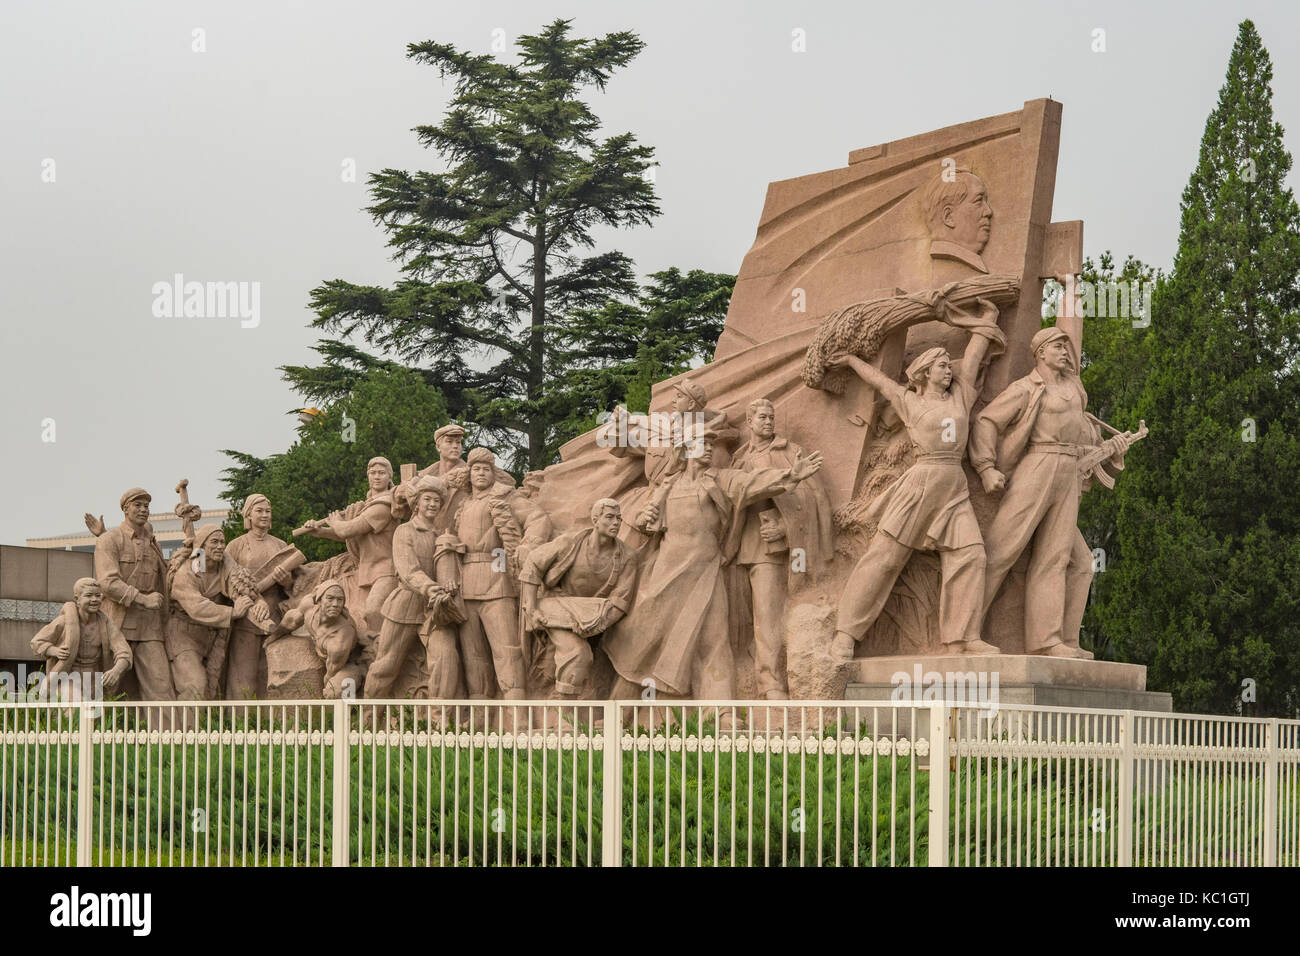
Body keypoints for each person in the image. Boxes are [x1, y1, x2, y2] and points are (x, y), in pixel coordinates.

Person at [827, 298, 1005, 659]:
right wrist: (850, 360)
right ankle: (846, 633)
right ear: (924, 372)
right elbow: (879, 381)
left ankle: (961, 639)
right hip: (920, 483)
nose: (947, 370)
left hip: (953, 484)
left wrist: (988, 320)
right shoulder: (910, 402)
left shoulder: (962, 397)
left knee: (970, 555)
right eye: (941, 365)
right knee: (886, 557)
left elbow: (971, 359)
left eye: (947, 365)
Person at [603, 424, 823, 699]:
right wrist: (646, 518)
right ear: (685, 448)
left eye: (710, 443)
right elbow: (647, 520)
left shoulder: (719, 480)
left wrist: (790, 475)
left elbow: (750, 482)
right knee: (645, 638)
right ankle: (617, 711)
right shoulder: (668, 486)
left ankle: (720, 713)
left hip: (707, 572)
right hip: (667, 573)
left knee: (715, 642)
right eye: (701, 442)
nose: (708, 448)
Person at [969, 325, 1137, 658]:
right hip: (1037, 465)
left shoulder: (1075, 391)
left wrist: (1114, 451)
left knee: (1057, 558)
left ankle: (1049, 641)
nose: (1065, 351)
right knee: (1001, 550)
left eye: (1066, 346)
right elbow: (987, 420)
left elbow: (1091, 444)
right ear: (1040, 352)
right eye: (1057, 346)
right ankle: (965, 632)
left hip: (1070, 470)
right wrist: (986, 468)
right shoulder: (1027, 388)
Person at [728, 398, 835, 697]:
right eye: (762, 417)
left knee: (782, 614)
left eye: (771, 416)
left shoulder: (790, 452)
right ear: (749, 422)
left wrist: (785, 527)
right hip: (748, 549)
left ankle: (786, 682)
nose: (768, 421)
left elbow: (812, 498)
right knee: (756, 619)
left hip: (784, 548)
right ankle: (758, 684)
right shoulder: (739, 460)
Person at [519, 498, 638, 700]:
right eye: (609, 517)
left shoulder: (627, 557)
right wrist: (531, 608)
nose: (616, 523)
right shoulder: (569, 543)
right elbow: (533, 564)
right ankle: (564, 716)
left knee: (579, 667)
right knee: (577, 653)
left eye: (619, 518)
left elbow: (620, 601)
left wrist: (597, 625)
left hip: (595, 617)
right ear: (595, 520)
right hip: (556, 608)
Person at [450, 449, 528, 699]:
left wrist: (528, 546)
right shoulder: (462, 506)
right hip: (466, 584)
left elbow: (535, 518)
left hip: (498, 583)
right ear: (469, 475)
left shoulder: (504, 498)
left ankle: (518, 714)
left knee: (507, 649)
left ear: (494, 474)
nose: (481, 473)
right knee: (473, 654)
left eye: (486, 468)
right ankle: (480, 715)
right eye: (476, 468)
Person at [296, 456, 401, 644]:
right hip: (366, 570)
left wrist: (336, 521)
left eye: (382, 473)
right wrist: (319, 531)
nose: (377, 477)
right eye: (373, 473)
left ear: (389, 477)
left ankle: (380, 652)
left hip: (385, 570)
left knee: (373, 611)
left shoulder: (383, 507)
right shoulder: (366, 505)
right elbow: (346, 534)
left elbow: (347, 529)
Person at [94, 488, 177, 709]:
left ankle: (169, 740)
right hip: (117, 624)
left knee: (161, 689)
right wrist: (142, 598)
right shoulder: (109, 540)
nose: (143, 510)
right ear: (125, 509)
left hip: (150, 627)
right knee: (109, 688)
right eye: (137, 505)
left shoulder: (153, 545)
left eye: (146, 506)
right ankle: (97, 737)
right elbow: (108, 582)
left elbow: (167, 580)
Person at [166, 524, 270, 699]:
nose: (220, 546)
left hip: (212, 637)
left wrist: (260, 602)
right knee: (195, 684)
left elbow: (244, 586)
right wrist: (232, 613)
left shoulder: (226, 566)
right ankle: (186, 727)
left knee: (212, 690)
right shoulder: (187, 571)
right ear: (202, 545)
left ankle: (208, 726)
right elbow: (196, 606)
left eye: (222, 542)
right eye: (214, 542)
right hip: (184, 636)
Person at [224, 494, 304, 698]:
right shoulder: (235, 546)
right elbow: (226, 580)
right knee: (243, 674)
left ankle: (272, 724)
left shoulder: (280, 544)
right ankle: (241, 725)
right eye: (259, 511)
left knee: (269, 672)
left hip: (275, 616)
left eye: (268, 511)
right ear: (248, 515)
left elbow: (293, 585)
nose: (265, 515)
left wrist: (286, 580)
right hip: (246, 618)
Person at [31, 578, 132, 702]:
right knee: (77, 706)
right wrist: (54, 650)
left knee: (93, 717)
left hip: (94, 679)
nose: (94, 599)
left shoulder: (105, 624)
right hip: (67, 676)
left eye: (97, 595)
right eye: (89, 596)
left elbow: (124, 652)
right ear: (77, 599)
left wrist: (116, 671)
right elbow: (36, 642)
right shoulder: (64, 621)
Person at [279, 580, 359, 699]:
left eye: (340, 600)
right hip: (327, 658)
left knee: (334, 691)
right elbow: (290, 621)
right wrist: (272, 637)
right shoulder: (309, 607)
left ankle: (351, 715)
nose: (335, 604)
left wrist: (321, 695)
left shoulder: (342, 636)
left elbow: (330, 673)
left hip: (349, 666)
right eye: (330, 598)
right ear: (319, 600)